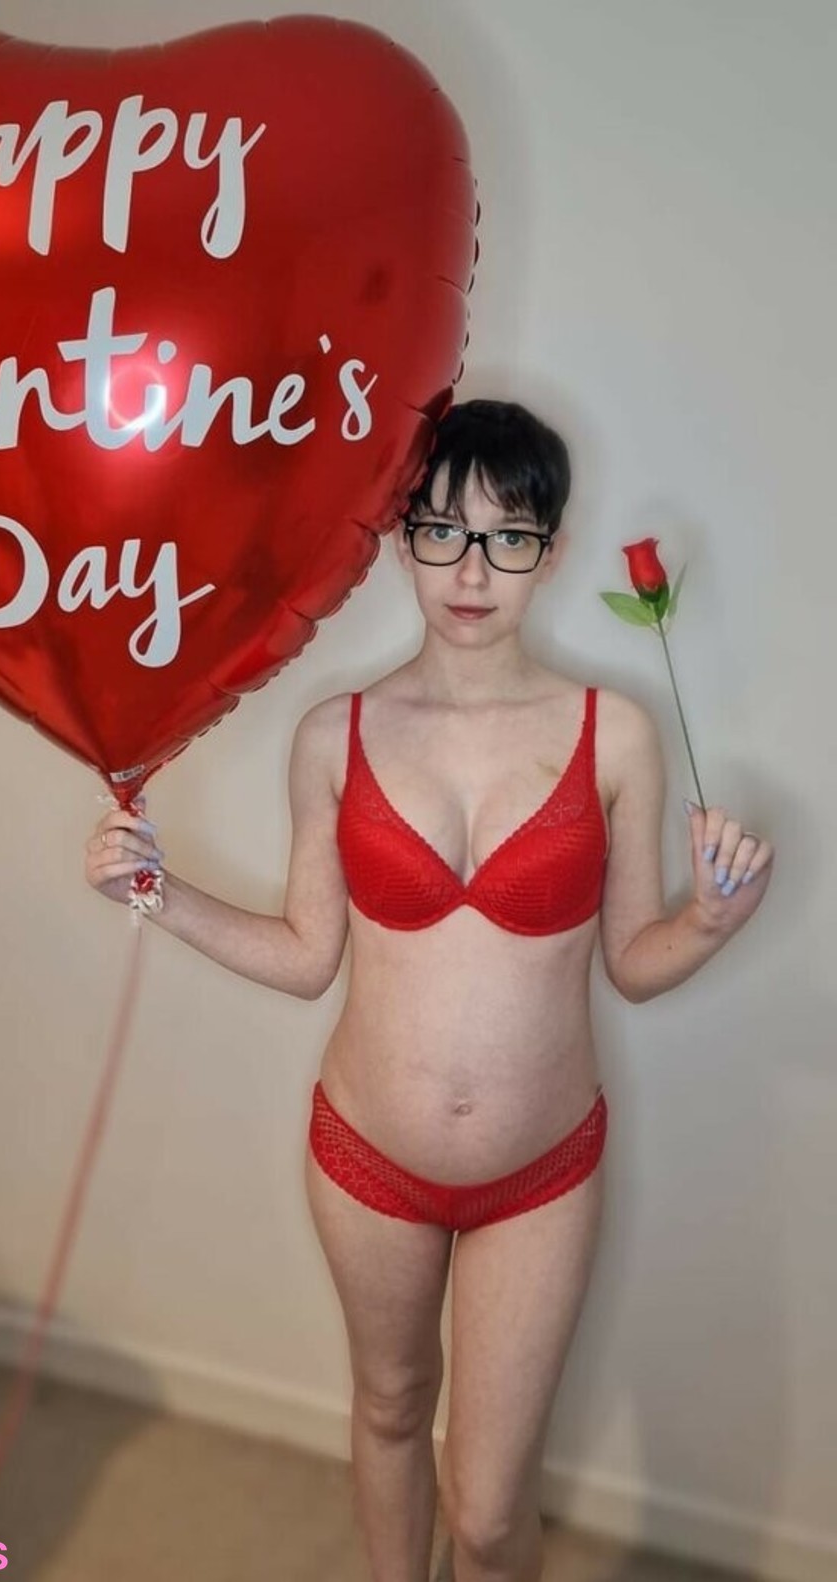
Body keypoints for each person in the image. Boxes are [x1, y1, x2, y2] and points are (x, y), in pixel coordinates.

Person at [84, 399, 774, 1582]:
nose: (472, 569)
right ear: (402, 540)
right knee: (393, 1403)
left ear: (550, 552)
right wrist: (153, 892)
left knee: (491, 1509)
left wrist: (707, 921)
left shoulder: (614, 734)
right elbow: (308, 955)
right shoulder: (334, 735)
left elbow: (632, 961)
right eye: (443, 531)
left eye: (508, 538)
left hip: (540, 1173)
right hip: (368, 1161)